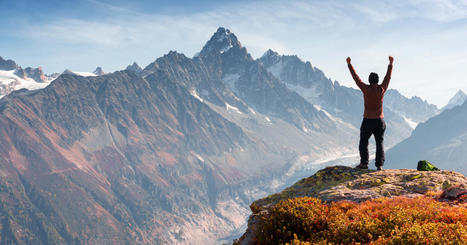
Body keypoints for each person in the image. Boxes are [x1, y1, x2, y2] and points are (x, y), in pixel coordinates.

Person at [346, 56, 393, 170]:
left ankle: (364, 163)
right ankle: (379, 165)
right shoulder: (382, 89)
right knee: (379, 142)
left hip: (368, 120)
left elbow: (356, 78)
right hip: (380, 121)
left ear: (369, 80)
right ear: (377, 80)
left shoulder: (365, 89)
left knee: (363, 142)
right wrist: (390, 64)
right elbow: (388, 78)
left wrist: (349, 64)